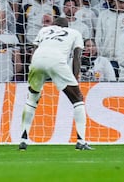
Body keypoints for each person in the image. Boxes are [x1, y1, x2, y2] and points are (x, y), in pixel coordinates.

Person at [19, 17, 93, 150]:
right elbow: (77, 56)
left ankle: (23, 139)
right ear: (67, 26)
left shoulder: (44, 30)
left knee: (32, 98)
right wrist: (75, 78)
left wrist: (33, 69)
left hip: (37, 60)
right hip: (57, 61)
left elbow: (34, 50)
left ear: (54, 25)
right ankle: (81, 141)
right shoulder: (74, 32)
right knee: (78, 99)